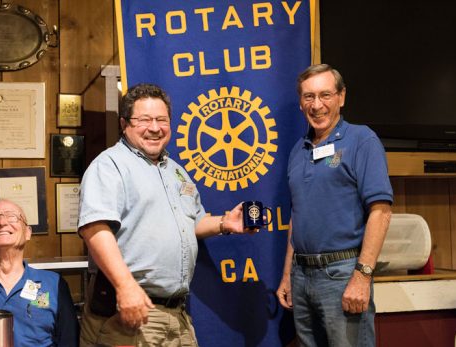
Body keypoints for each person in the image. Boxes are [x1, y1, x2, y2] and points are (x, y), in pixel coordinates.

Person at [78, 83, 255, 346]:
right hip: (130, 313)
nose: (155, 127)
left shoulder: (175, 171)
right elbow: (95, 229)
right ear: (125, 124)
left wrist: (222, 223)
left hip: (177, 315)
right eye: (144, 120)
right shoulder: (109, 165)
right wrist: (126, 287)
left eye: (162, 119)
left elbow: (192, 222)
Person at [276, 64, 393, 347]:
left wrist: (362, 276)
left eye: (325, 95)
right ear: (301, 103)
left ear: (341, 97)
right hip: (301, 276)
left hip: (342, 274)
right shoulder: (297, 150)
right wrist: (288, 275)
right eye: (308, 97)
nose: (317, 105)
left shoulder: (362, 140)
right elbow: (298, 215)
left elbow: (381, 211)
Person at [0, 199, 79, 347]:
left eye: (12, 216)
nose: (2, 222)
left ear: (27, 233)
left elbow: (69, 341)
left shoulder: (54, 284)